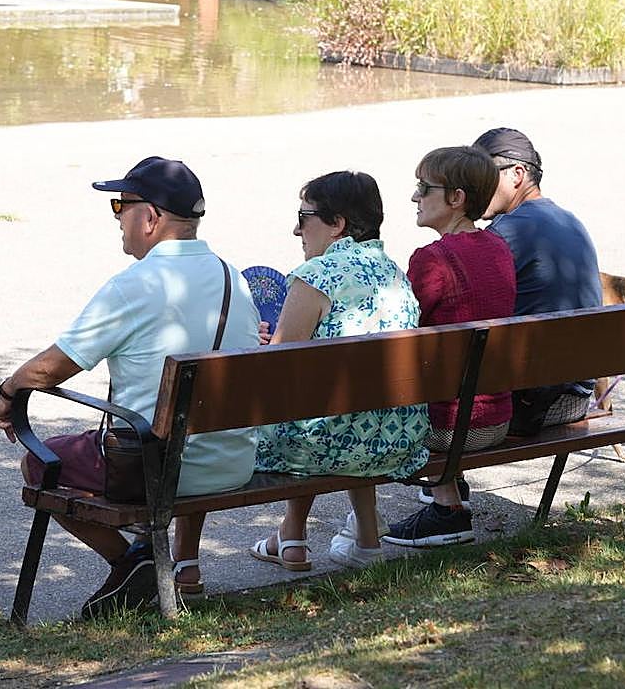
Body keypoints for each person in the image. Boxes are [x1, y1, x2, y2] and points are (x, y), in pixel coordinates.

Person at [0, 156, 261, 618]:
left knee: (40, 463)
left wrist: (10, 390)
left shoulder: (134, 285)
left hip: (157, 473)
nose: (117, 219)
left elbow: (53, 368)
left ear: (151, 217)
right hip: (231, 461)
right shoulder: (231, 277)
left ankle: (134, 560)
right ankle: (148, 564)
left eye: (121, 207)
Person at [250, 171, 429, 571]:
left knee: (306, 408)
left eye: (304, 216)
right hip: (394, 438)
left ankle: (291, 537)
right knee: (346, 404)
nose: (296, 228)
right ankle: (358, 540)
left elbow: (276, 364)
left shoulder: (314, 277)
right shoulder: (393, 274)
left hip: (323, 441)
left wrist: (258, 345)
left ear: (337, 225)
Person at [379, 146, 516, 548]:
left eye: (424, 188)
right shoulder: (498, 249)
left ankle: (444, 511)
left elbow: (402, 329)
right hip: (498, 418)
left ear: (456, 199)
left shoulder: (433, 259)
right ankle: (448, 500)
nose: (414, 197)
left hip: (449, 429)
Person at [472, 127, 602, 434]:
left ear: (517, 174)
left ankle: (445, 484)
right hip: (577, 397)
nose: (475, 188)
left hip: (532, 404)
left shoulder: (505, 232)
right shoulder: (570, 220)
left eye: (482, 177)